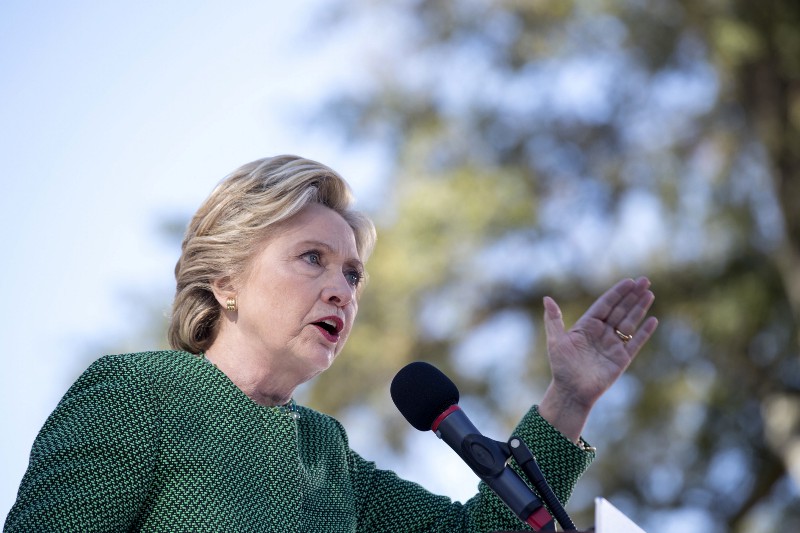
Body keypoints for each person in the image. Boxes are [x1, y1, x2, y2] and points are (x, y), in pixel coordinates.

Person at [5, 155, 658, 532]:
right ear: (225, 282)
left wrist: (568, 397)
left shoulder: (326, 454)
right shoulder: (141, 393)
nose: (341, 289)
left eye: (352, 273)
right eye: (311, 259)